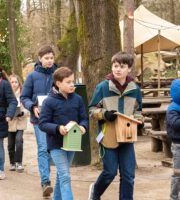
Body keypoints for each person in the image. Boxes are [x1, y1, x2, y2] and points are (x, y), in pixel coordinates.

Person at [88, 52, 143, 200]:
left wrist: (138, 121)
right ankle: (95, 192)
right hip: (108, 137)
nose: (118, 69)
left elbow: (138, 111)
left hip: (127, 137)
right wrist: (105, 114)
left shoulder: (135, 89)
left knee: (128, 175)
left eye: (122, 66)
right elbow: (92, 110)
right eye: (115, 66)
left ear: (129, 69)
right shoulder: (102, 87)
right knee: (110, 172)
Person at [39, 67, 88, 200]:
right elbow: (42, 123)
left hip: (72, 143)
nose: (72, 84)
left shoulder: (78, 99)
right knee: (65, 176)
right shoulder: (49, 101)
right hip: (55, 145)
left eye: (72, 81)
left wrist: (83, 127)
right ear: (58, 83)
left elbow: (84, 118)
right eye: (68, 82)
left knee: (62, 175)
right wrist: (58, 128)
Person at [21, 45, 56, 198]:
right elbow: (24, 97)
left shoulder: (58, 74)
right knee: (43, 148)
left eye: (51, 58)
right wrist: (32, 106)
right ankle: (45, 182)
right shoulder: (32, 76)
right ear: (40, 59)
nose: (49, 61)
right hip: (39, 119)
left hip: (56, 119)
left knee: (50, 149)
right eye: (46, 58)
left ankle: (54, 178)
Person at [8, 74, 28, 172]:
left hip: (20, 121)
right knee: (10, 144)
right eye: (12, 82)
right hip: (10, 122)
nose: (14, 84)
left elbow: (27, 107)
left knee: (19, 141)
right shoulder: (7, 93)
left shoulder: (23, 94)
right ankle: (12, 162)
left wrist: (23, 112)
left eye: (16, 82)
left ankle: (19, 162)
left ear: (19, 83)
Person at [166, 79, 180, 200]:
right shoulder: (172, 108)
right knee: (177, 174)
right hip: (178, 146)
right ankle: (174, 197)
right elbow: (175, 124)